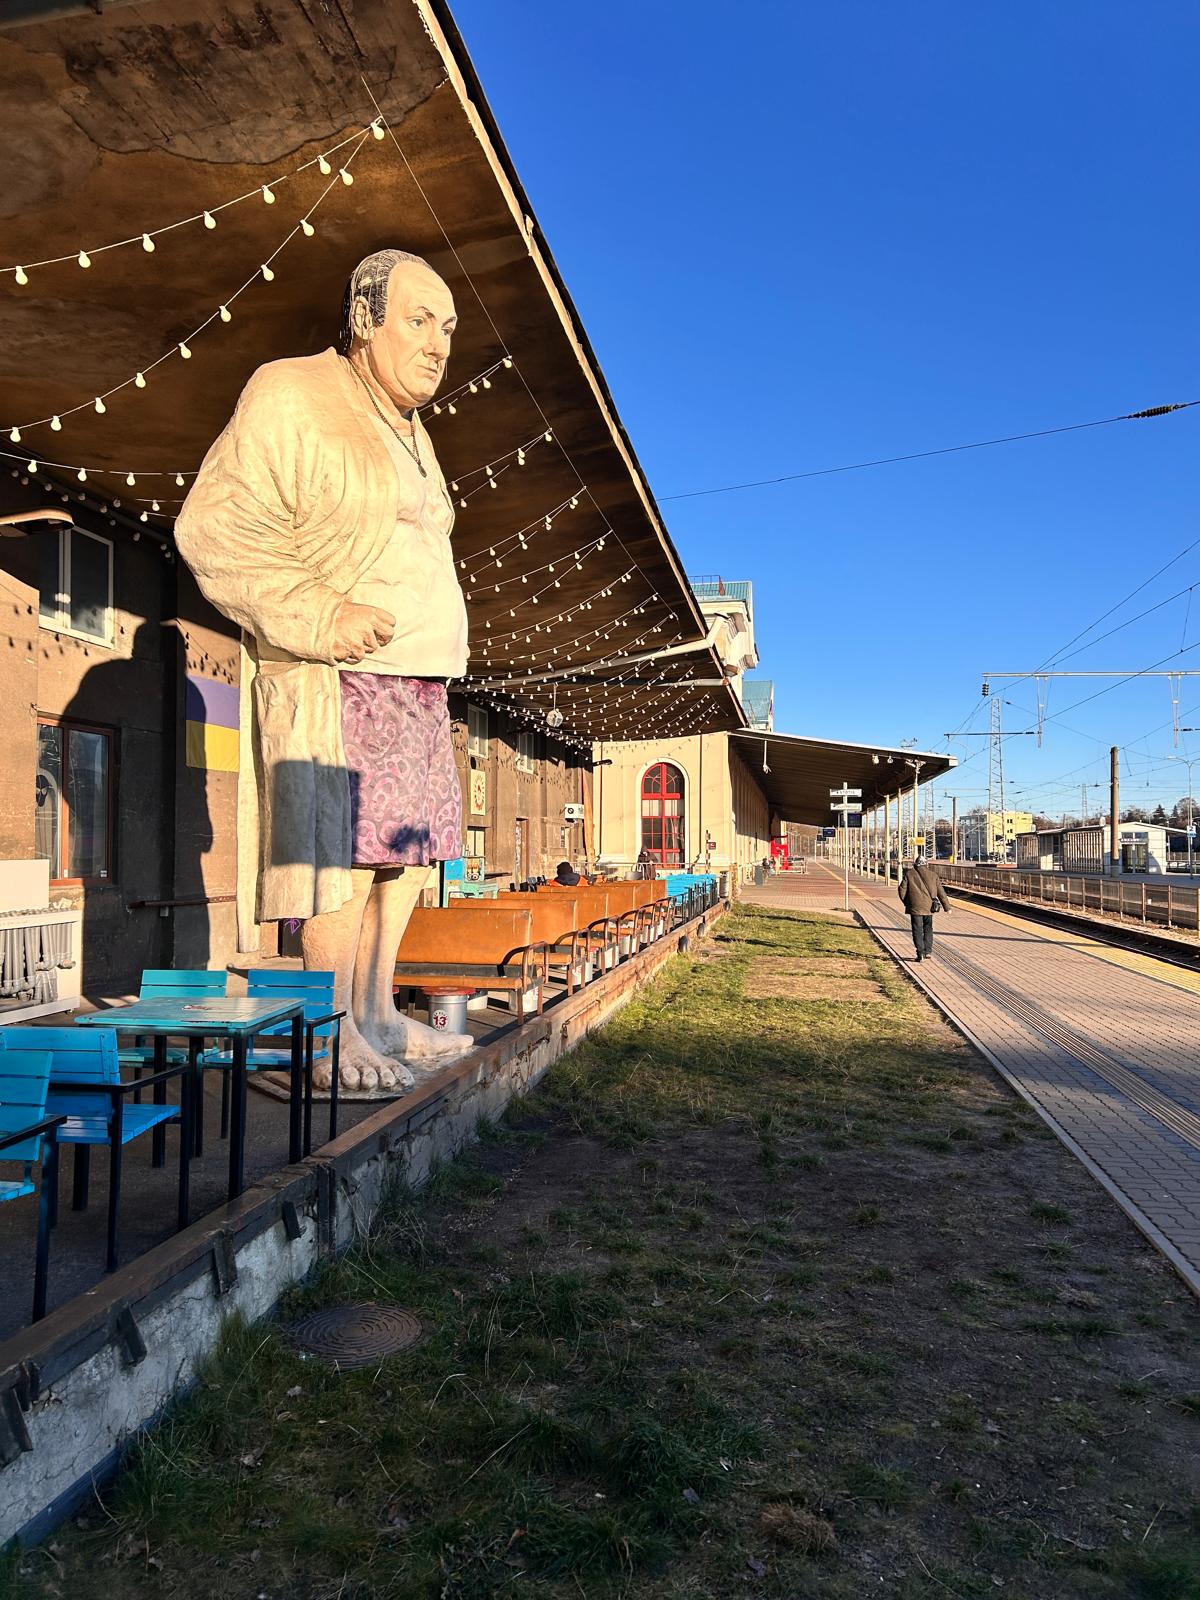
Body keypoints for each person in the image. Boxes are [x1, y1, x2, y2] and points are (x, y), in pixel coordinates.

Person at [175, 248, 474, 1093]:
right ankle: (327, 1033)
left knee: (404, 858)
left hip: (418, 678)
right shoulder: (292, 391)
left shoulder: (416, 431)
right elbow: (215, 528)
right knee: (339, 856)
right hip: (335, 672)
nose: (438, 344)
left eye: (447, 328)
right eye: (419, 320)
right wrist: (317, 612)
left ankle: (376, 1014)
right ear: (364, 318)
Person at [898, 851, 952, 961]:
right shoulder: (933, 875)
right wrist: (947, 907)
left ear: (916, 864)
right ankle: (928, 951)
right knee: (928, 928)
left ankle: (920, 953)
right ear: (926, 864)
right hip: (929, 907)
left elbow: (901, 890)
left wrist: (907, 902)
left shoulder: (909, 874)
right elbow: (941, 892)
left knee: (917, 930)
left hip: (915, 908)